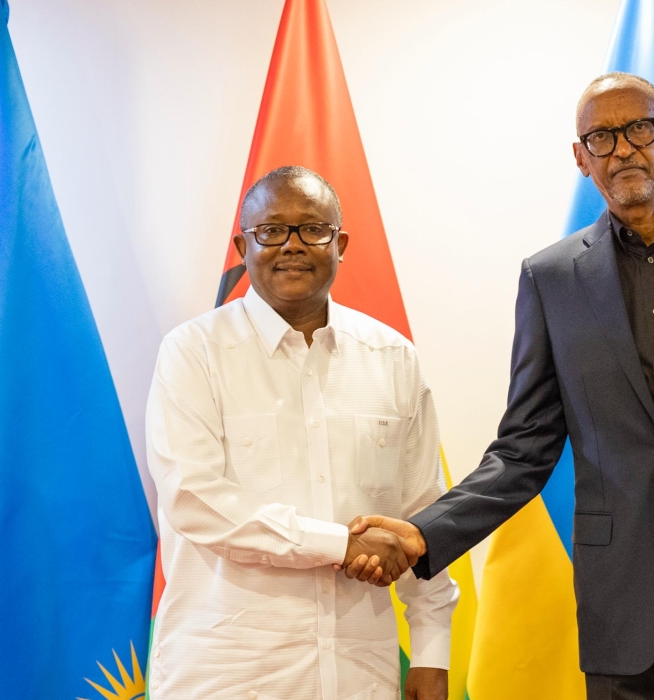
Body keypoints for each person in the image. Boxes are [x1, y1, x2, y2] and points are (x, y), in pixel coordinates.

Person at [347, 73, 654, 700]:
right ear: (581, 159)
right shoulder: (550, 280)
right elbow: (524, 448)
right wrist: (426, 531)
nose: (623, 150)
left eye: (638, 129)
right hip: (621, 596)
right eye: (601, 138)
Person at [145, 165, 457, 700]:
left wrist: (431, 653)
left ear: (341, 243)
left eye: (313, 229)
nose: (292, 245)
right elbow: (194, 500)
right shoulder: (192, 352)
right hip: (226, 675)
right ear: (243, 245)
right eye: (271, 231)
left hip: (361, 675)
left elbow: (422, 517)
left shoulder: (392, 357)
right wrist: (340, 544)